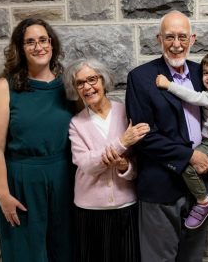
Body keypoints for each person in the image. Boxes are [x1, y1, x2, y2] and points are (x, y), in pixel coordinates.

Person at [125, 10, 208, 262]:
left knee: (193, 257)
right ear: (159, 39)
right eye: (170, 37)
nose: (176, 45)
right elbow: (143, 135)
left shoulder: (204, 74)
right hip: (160, 185)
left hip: (199, 187)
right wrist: (189, 156)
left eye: (182, 37)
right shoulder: (141, 78)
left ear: (193, 39)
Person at [0, 18, 74, 261]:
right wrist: (3, 195)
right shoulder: (5, 87)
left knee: (64, 250)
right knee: (26, 253)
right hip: (22, 182)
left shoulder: (67, 85)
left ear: (52, 44)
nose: (38, 47)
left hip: (63, 179)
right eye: (30, 42)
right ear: (20, 48)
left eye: (43, 40)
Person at [63, 58, 150, 262]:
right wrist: (121, 142)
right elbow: (87, 164)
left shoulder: (126, 112)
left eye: (92, 79)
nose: (88, 87)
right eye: (80, 83)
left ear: (103, 81)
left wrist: (126, 166)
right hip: (89, 210)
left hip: (126, 206)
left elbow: (139, 162)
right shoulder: (77, 123)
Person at [155, 50, 208, 229]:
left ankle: (203, 201)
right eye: (205, 72)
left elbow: (196, 98)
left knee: (186, 165)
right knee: (186, 164)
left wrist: (169, 85)